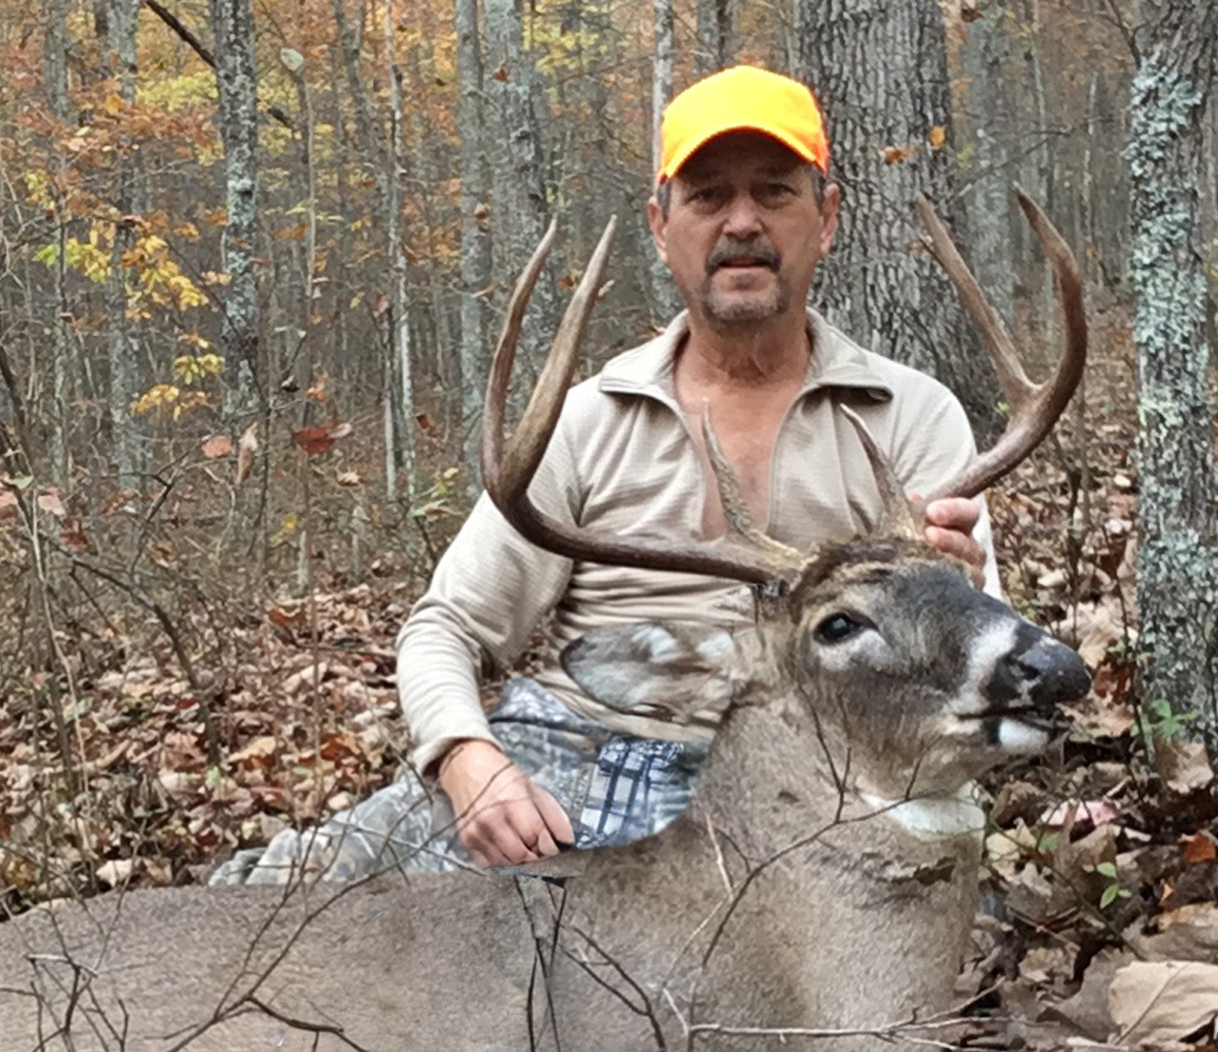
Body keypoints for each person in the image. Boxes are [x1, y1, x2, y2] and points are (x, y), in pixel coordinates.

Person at [213, 64, 996, 887]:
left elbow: (976, 680)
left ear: (827, 218)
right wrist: (466, 758)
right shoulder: (587, 420)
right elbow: (446, 626)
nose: (741, 223)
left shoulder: (910, 415)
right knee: (273, 898)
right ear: (661, 227)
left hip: (828, 784)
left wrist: (958, 600)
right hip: (575, 763)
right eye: (705, 198)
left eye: (774, 192)